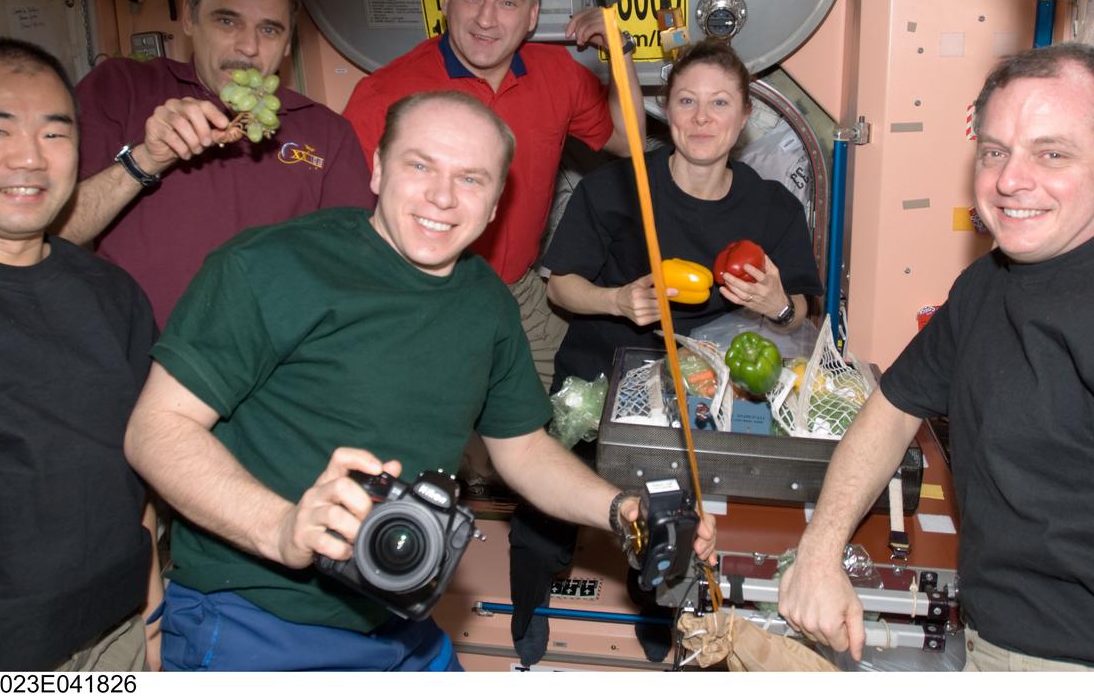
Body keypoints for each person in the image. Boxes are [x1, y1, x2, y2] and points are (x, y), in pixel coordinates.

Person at [122, 90, 716, 672]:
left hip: (398, 616)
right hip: (258, 620)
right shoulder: (268, 267)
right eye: (420, 165)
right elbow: (156, 428)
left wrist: (622, 510)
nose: (442, 197)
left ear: (494, 205)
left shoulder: (487, 302)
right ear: (378, 170)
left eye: (471, 179)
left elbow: (524, 448)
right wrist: (279, 528)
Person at [778, 42, 1094, 671]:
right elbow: (893, 405)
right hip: (990, 645)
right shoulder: (992, 280)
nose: (1008, 180)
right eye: (994, 151)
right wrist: (818, 551)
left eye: (1052, 154)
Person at [507, 39, 823, 665]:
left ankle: (656, 608)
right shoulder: (617, 189)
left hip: (698, 383)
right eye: (686, 101)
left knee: (670, 505)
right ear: (665, 110)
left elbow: (804, 306)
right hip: (600, 368)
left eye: (719, 103)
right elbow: (563, 284)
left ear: (741, 120)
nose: (702, 118)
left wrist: (777, 306)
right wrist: (619, 302)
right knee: (549, 496)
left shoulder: (771, 207)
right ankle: (528, 602)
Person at [0, 38, 161, 671]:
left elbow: (142, 451)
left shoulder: (112, 293)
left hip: (113, 637)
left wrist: (151, 599)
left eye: (55, 134)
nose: (29, 158)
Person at [341, 0, 644, 387]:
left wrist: (622, 54)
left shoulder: (557, 73)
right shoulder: (384, 92)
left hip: (519, 290)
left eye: (508, 1)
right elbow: (348, 226)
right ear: (446, 2)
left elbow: (629, 140)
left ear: (532, 15)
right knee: (447, 437)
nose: (486, 18)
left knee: (558, 408)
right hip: (422, 297)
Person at [57, 0, 374, 327]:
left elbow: (356, 270)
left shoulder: (327, 133)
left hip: (272, 372)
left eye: (270, 30)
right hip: (135, 361)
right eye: (227, 21)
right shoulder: (122, 88)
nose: (248, 47)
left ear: (288, 41)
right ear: (189, 16)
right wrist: (145, 159)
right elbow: (54, 233)